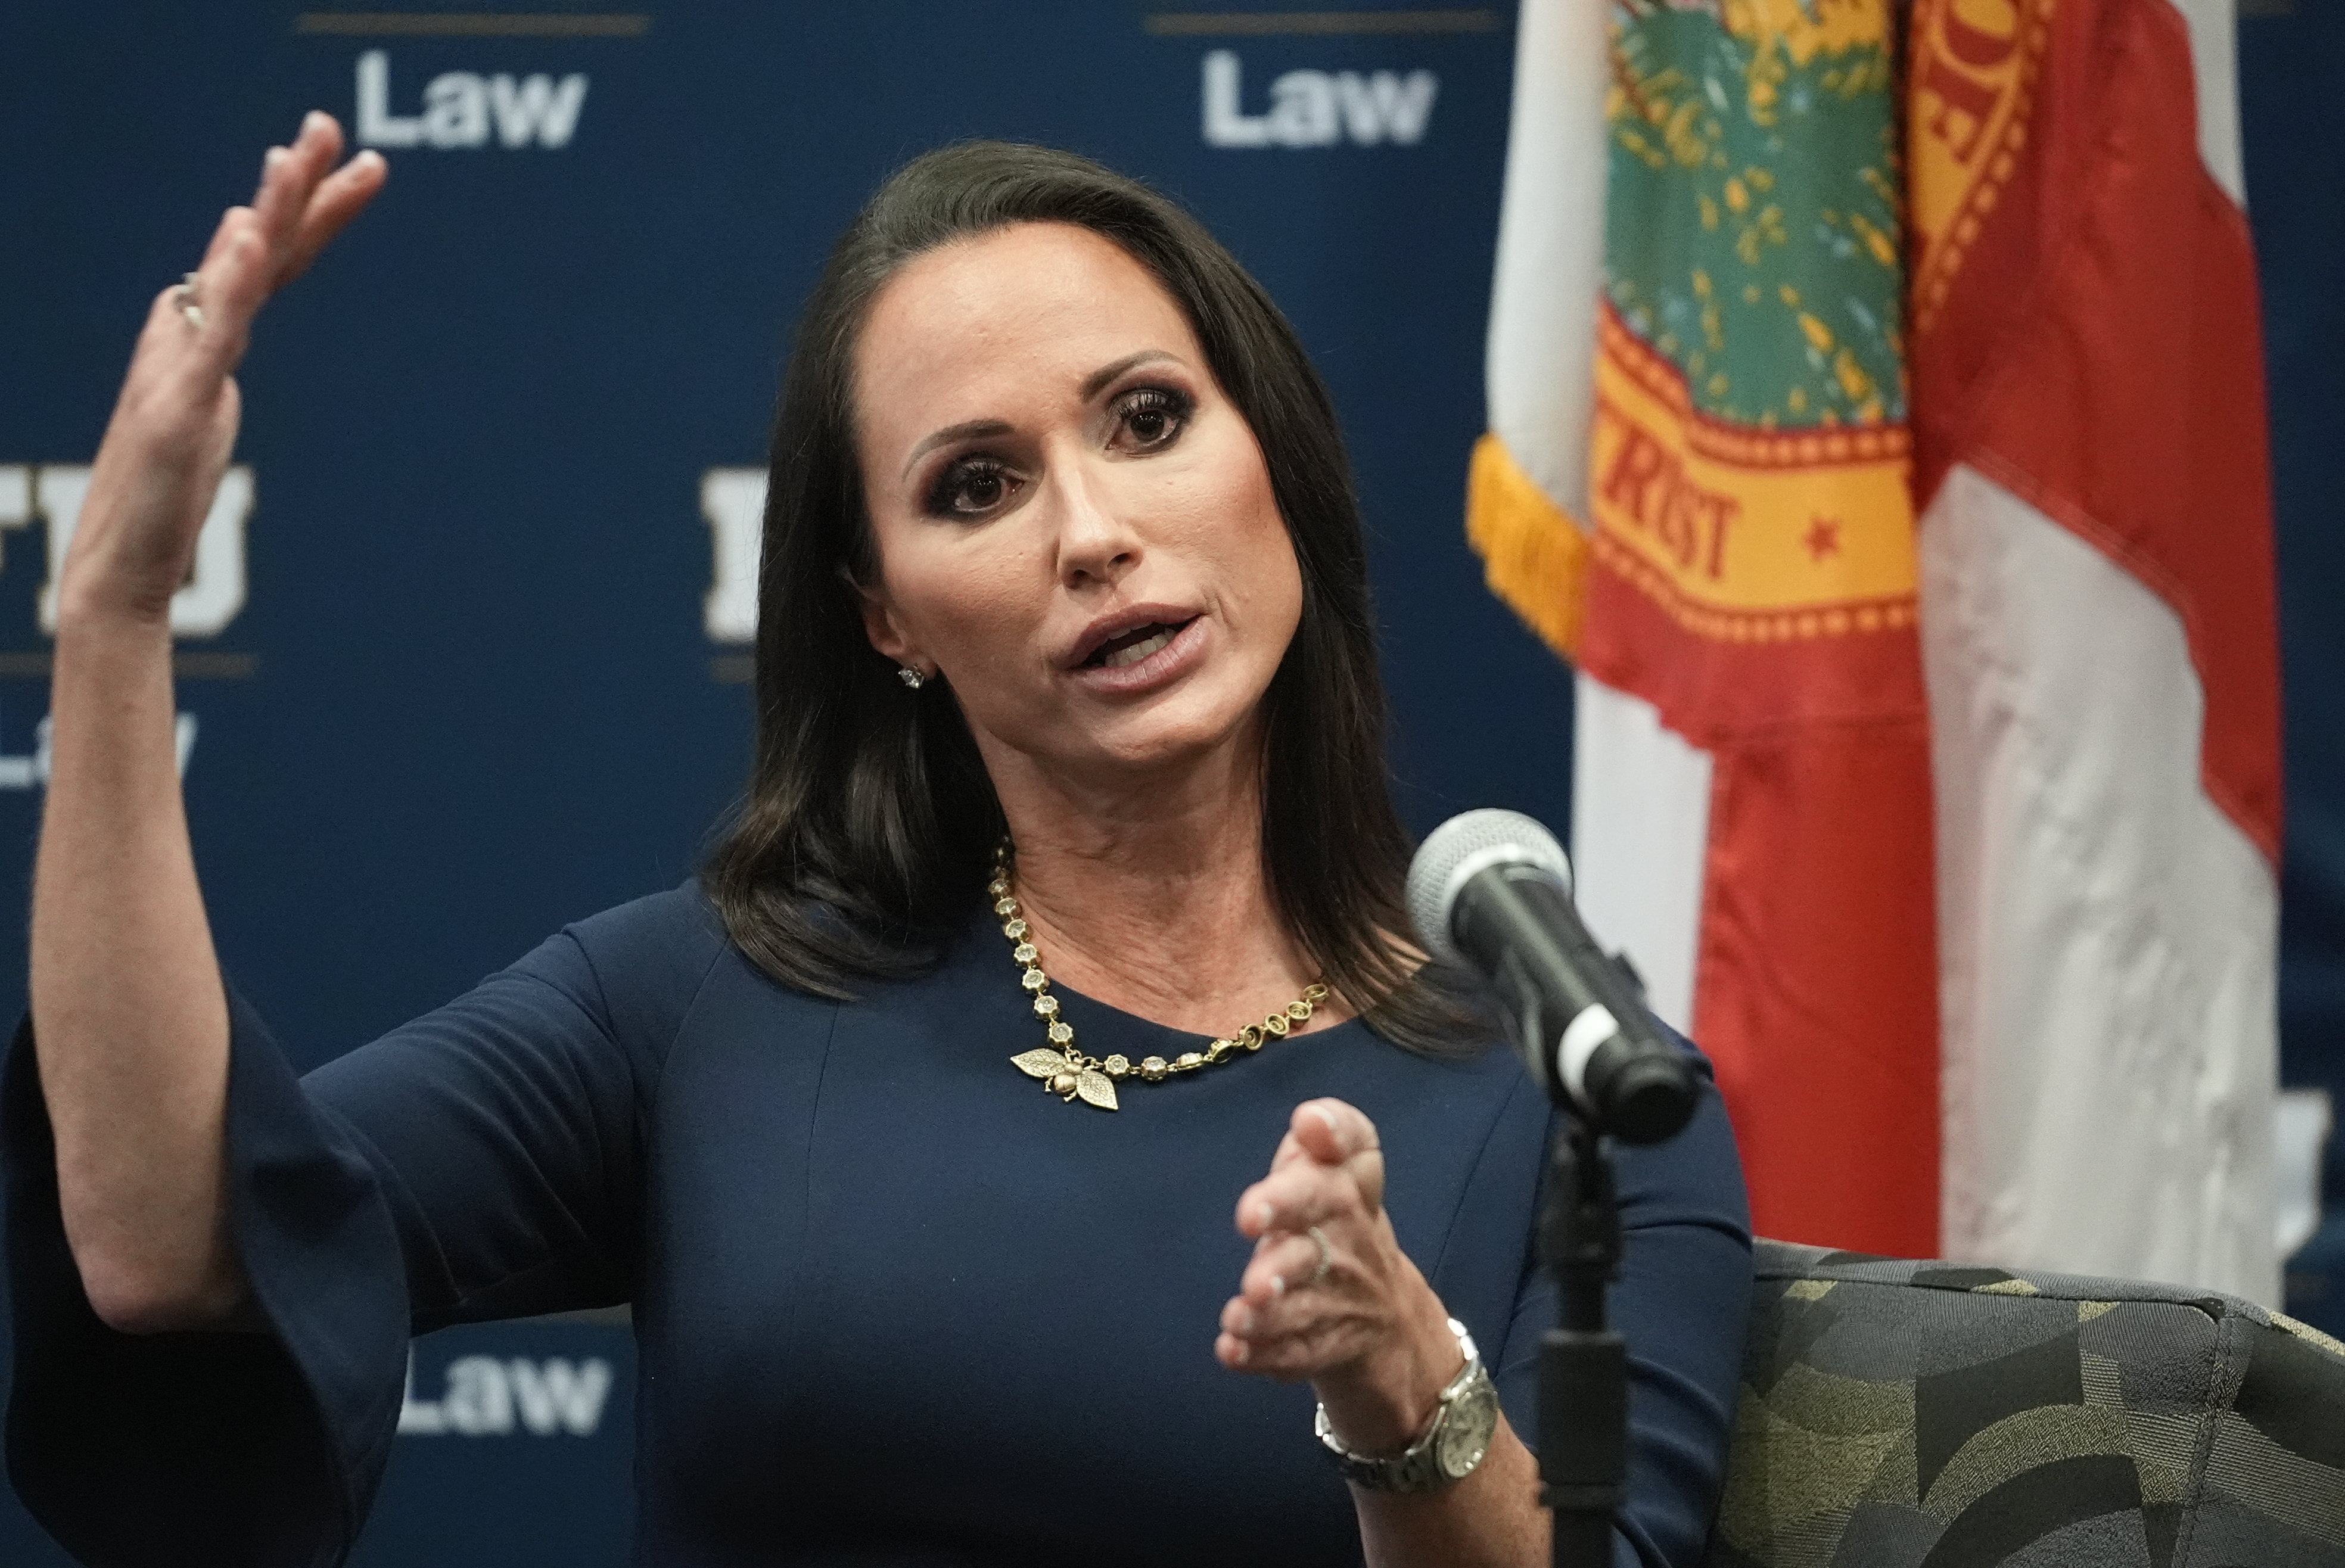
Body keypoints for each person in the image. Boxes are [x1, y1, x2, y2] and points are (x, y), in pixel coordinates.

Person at [4, 113, 1751, 1568]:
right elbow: (169, 1245)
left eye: (1148, 422)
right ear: (888, 617)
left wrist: (1399, 1377)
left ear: (1270, 458)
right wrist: (118, 612)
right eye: (974, 486)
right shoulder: (703, 1004)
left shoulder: (1587, 1105)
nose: (1093, 533)